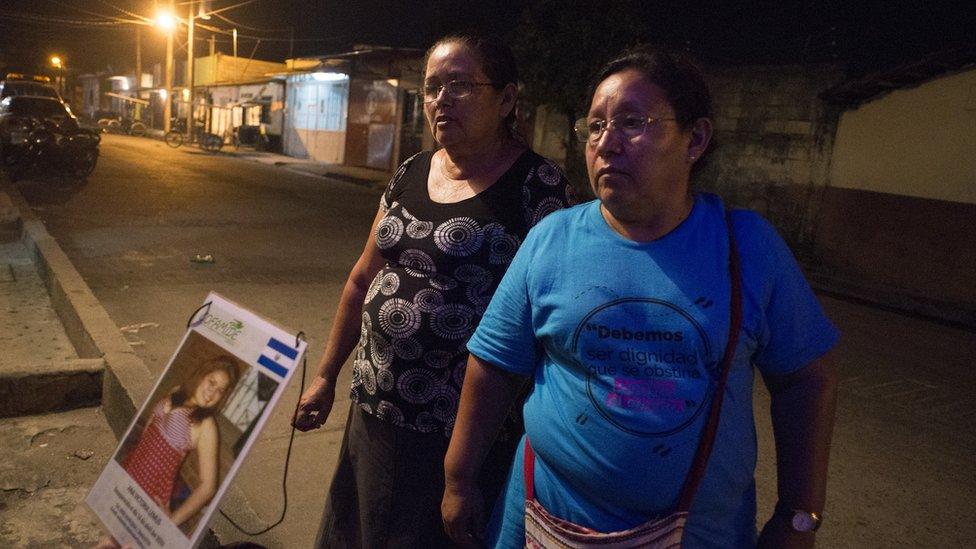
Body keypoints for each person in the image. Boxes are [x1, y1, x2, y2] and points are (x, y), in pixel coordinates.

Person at [442, 46, 839, 549]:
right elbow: (494, 367)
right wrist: (458, 480)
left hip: (701, 533)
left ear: (695, 138)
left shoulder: (748, 248)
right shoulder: (552, 240)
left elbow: (806, 383)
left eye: (632, 122)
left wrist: (799, 517)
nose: (606, 143)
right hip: (538, 521)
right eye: (595, 127)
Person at [292, 34, 574, 548]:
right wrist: (327, 375)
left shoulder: (539, 187)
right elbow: (362, 279)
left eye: (460, 85)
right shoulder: (411, 170)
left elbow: (545, 325)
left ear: (507, 99)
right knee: (359, 531)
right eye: (432, 87)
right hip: (375, 409)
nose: (441, 99)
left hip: (459, 434)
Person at [120, 356, 239, 527]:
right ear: (201, 375)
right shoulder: (176, 391)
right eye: (212, 382)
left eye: (220, 390)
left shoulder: (206, 425)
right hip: (130, 472)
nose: (212, 393)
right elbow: (148, 429)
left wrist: (171, 521)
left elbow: (208, 487)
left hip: (150, 495)